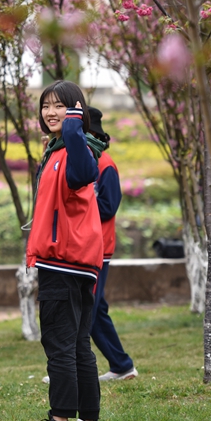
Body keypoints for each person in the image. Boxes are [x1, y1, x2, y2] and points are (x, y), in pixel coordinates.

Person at [27, 81, 104, 421]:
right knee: (77, 345)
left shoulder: (75, 149)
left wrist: (73, 126)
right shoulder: (57, 150)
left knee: (60, 346)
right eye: (46, 106)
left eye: (59, 106)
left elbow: (86, 173)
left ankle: (59, 418)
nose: (50, 112)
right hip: (74, 261)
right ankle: (88, 417)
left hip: (63, 261)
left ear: (75, 111)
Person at [86, 106, 138, 381]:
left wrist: (76, 206)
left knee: (88, 309)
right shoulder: (80, 161)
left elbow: (108, 206)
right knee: (96, 309)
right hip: (83, 247)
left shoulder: (105, 166)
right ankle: (121, 364)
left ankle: (70, 368)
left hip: (98, 249)